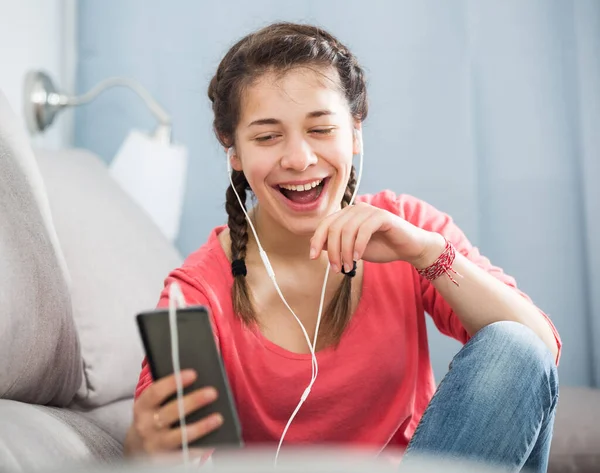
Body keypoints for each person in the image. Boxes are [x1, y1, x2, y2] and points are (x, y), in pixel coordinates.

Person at [124, 22, 561, 472]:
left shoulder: (406, 228)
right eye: (267, 136)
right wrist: (145, 445)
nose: (299, 159)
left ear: (354, 134)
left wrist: (427, 255)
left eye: (320, 129)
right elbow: (162, 452)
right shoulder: (197, 293)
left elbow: (538, 350)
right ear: (233, 151)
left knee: (515, 346)